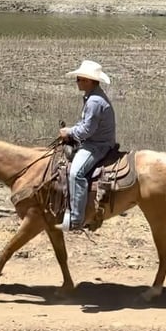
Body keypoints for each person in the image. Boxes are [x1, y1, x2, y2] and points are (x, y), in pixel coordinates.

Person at [56, 60, 117, 232]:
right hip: (95, 140)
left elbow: (87, 130)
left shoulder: (94, 101)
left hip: (97, 144)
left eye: (80, 79)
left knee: (76, 173)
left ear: (89, 81)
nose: (77, 82)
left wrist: (69, 132)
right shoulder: (92, 96)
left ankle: (76, 219)